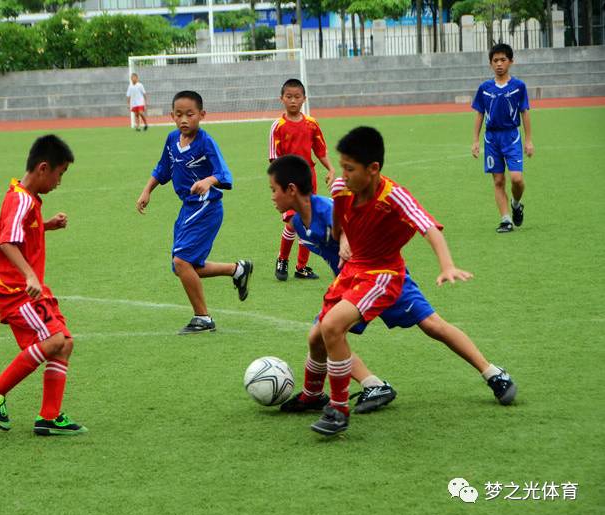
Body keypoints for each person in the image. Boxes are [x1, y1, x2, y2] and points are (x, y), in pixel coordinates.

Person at [268, 154, 517, 416]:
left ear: (292, 190)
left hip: (381, 275)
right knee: (323, 335)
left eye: (273, 190)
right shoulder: (297, 222)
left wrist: (346, 242)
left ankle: (492, 372)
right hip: (351, 284)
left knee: (432, 325)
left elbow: (351, 222)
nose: (272, 196)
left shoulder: (327, 209)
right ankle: (368, 386)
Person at [0, 134, 86, 437]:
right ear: (43, 168)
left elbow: (22, 230)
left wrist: (47, 224)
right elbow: (7, 242)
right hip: (13, 289)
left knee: (64, 342)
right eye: (59, 174)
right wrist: (29, 275)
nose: (59, 182)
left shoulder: (27, 197)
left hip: (25, 287)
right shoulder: (21, 198)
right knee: (53, 341)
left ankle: (49, 417)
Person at [136, 90, 253, 335]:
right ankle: (237, 269)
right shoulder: (171, 139)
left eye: (190, 114)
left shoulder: (205, 142)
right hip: (188, 206)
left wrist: (208, 181)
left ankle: (203, 318)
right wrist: (147, 190)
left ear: (202, 115)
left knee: (181, 261)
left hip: (207, 206)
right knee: (185, 266)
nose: (184, 120)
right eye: (179, 114)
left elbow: (224, 175)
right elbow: (162, 169)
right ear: (171, 116)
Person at [269, 78, 335, 281]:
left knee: (308, 222)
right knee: (291, 222)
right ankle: (282, 259)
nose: (293, 101)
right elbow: (274, 157)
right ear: (281, 99)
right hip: (288, 182)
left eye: (297, 97)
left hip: (308, 179)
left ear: (304, 99)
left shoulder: (311, 124)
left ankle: (301, 267)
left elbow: (320, 150)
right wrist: (279, 183)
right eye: (289, 97)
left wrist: (331, 169)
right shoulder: (278, 126)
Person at [471, 43, 534, 233]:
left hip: (512, 137)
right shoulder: (484, 88)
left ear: (511, 62)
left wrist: (528, 140)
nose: (499, 64)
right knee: (498, 181)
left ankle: (516, 204)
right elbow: (479, 114)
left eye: (503, 60)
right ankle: (506, 219)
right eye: (495, 60)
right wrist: (475, 140)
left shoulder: (518, 86)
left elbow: (525, 112)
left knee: (516, 179)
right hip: (491, 139)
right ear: (490, 64)